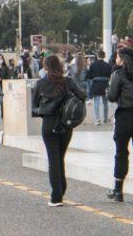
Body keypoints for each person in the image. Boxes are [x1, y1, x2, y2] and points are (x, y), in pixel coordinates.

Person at [32, 54, 86, 206]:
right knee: (60, 157)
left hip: (49, 124)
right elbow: (82, 96)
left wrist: (44, 110)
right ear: (60, 66)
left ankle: (56, 196)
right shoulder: (68, 81)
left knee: (53, 159)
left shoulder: (40, 83)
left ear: (46, 67)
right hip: (65, 123)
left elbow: (34, 107)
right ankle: (61, 188)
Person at [107, 48, 133, 203]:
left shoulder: (118, 75)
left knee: (121, 153)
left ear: (122, 59)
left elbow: (111, 96)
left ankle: (118, 190)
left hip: (124, 116)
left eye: (117, 57)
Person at [88, 51, 112, 124]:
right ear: (104, 56)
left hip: (96, 85)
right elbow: (110, 76)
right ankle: (105, 119)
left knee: (96, 103)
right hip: (105, 85)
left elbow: (89, 76)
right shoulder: (108, 65)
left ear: (97, 56)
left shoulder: (93, 65)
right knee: (105, 103)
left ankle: (97, 119)